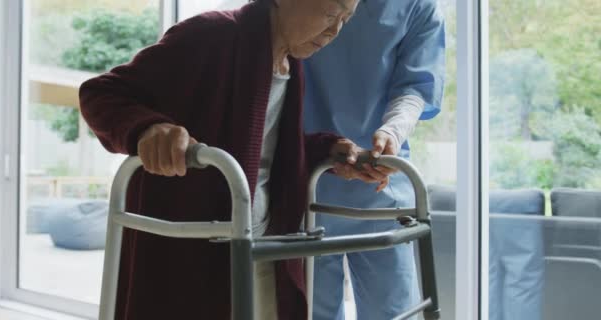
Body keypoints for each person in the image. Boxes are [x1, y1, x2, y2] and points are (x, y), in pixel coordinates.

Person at [78, 0, 382, 319]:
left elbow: (257, 147)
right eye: (331, 13)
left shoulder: (291, 65)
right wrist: (148, 129)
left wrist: (331, 150)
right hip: (196, 258)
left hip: (264, 246)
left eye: (346, 20)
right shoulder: (211, 35)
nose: (335, 30)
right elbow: (100, 94)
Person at [303, 0, 446, 319]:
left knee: (390, 311)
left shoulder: (417, 7)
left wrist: (393, 131)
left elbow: (416, 88)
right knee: (312, 310)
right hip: (309, 186)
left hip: (380, 188)